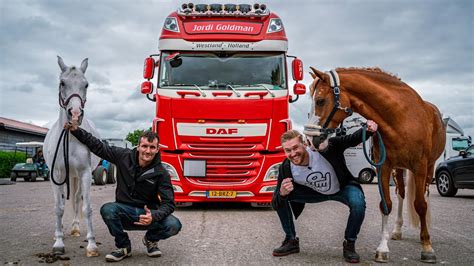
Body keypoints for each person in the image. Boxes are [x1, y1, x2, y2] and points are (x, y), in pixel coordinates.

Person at [64, 122, 182, 262]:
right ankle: (124, 246)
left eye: (152, 147)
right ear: (138, 146)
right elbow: (99, 146)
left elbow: (169, 204)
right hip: (125, 212)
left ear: (157, 149)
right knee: (108, 209)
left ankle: (150, 239)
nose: (148, 151)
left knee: (174, 225)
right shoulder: (123, 156)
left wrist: (154, 215)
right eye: (144, 146)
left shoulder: (161, 173)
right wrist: (76, 130)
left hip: (148, 215)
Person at [271, 120, 378, 263]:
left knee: (358, 203)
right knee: (281, 197)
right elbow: (275, 203)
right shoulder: (287, 167)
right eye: (288, 150)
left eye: (296, 147)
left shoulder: (324, 148)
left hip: (341, 188)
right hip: (314, 193)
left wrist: (368, 130)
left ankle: (349, 243)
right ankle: (291, 241)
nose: (293, 153)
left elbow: (351, 139)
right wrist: (282, 194)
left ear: (304, 143)